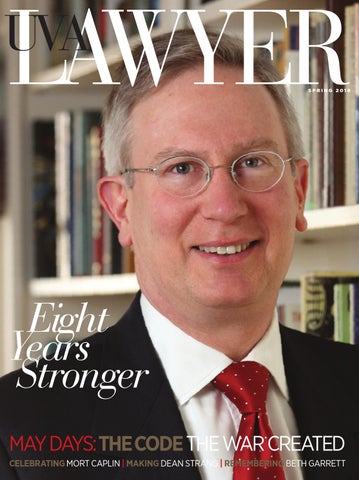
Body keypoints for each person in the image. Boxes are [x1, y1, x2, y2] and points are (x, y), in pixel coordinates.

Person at [0, 29, 358, 480]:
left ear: (299, 191)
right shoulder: (16, 432)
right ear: (120, 208)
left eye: (253, 161)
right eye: (182, 168)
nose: (226, 206)